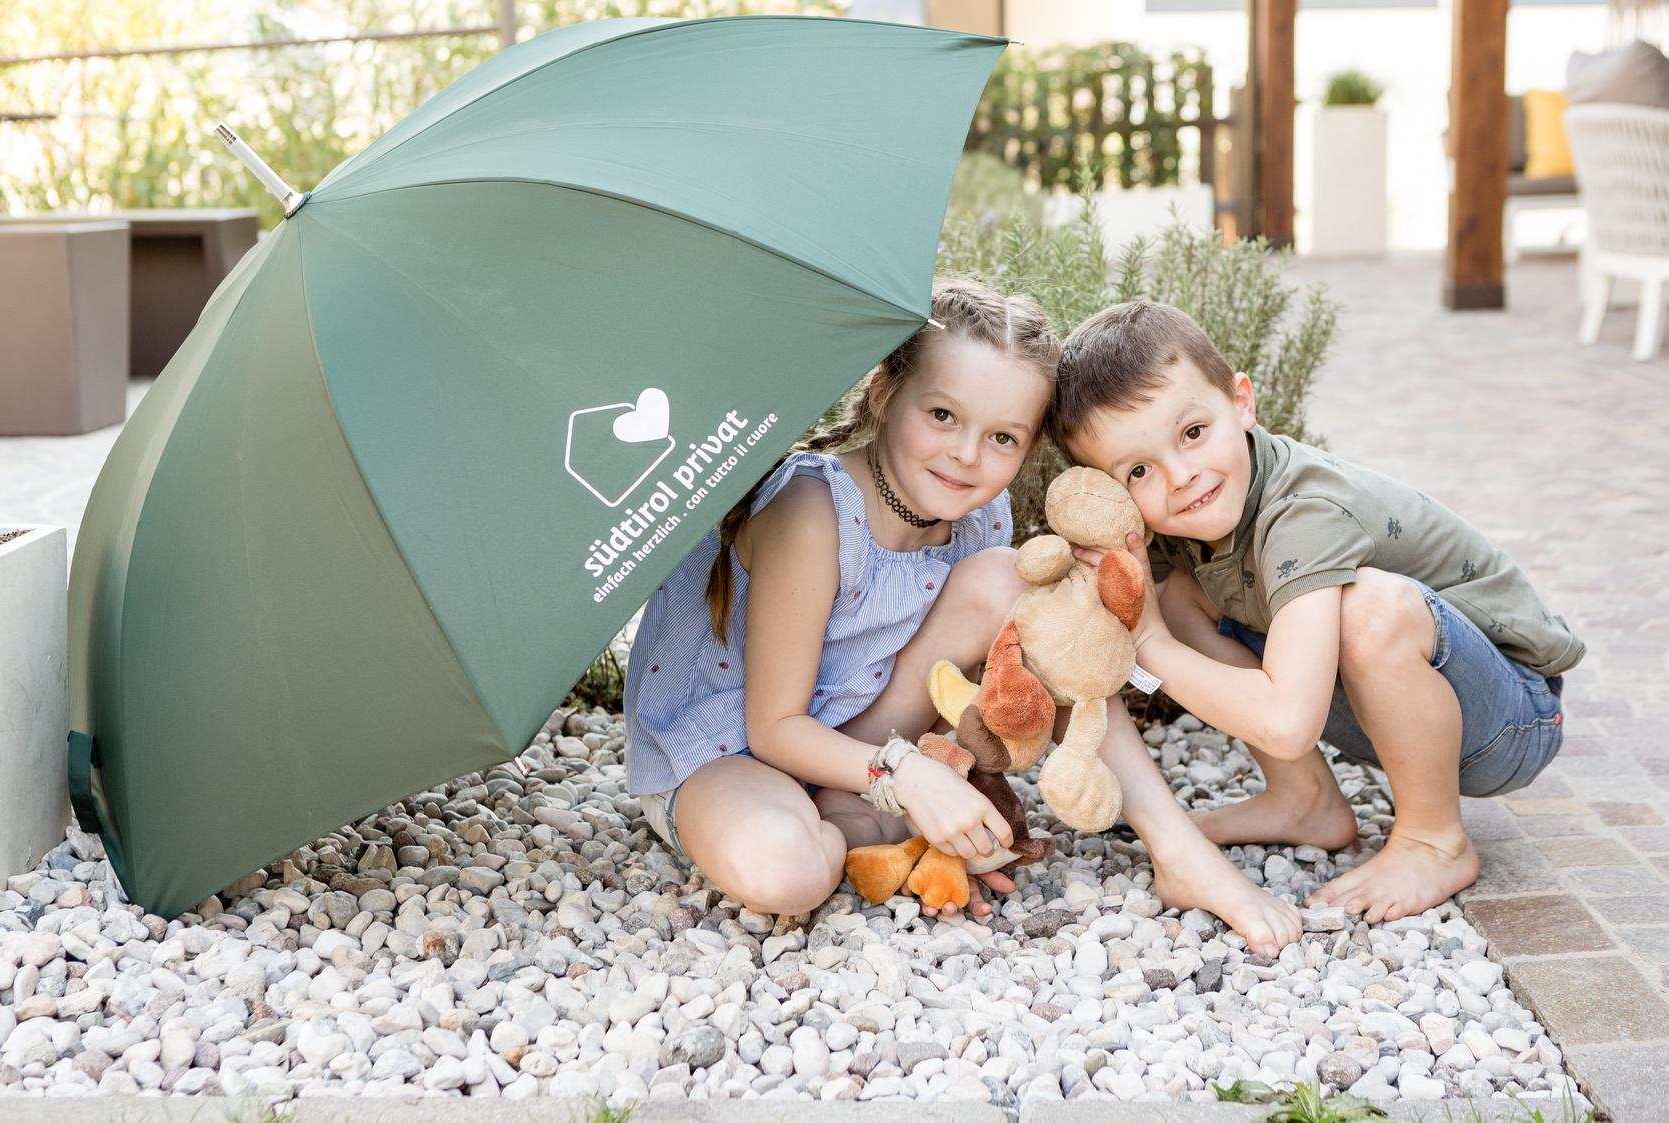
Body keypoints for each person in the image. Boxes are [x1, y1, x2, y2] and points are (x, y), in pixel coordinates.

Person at [1051, 300, 1583, 925]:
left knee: (1369, 608)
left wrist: (1150, 643)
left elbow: (1287, 722)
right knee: (1178, 597)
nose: (1181, 477)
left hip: (1512, 715)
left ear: (1241, 402)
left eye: (1193, 433)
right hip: (1404, 712)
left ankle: (1433, 840)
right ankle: (1304, 799)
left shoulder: (1303, 512)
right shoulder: (1179, 522)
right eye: (1138, 470)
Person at [623, 278, 1057, 919]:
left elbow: (949, 685)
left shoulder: (981, 515)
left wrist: (955, 769)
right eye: (942, 415)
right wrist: (910, 777)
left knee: (1008, 577)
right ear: (883, 393)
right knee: (785, 873)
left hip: (861, 739)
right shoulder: (813, 511)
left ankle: (862, 819)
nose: (967, 455)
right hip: (736, 748)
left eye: (1003, 439)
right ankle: (843, 825)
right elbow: (773, 729)